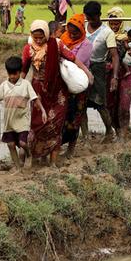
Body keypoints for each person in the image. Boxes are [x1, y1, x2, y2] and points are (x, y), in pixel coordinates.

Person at [22, 20, 92, 167]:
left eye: (42, 37)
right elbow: (23, 71)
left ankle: (53, 162)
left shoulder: (57, 44)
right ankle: (38, 158)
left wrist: (87, 73)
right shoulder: (28, 49)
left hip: (57, 91)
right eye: (36, 37)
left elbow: (73, 58)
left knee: (56, 124)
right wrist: (17, 88)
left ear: (47, 34)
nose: (39, 40)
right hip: (38, 92)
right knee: (38, 125)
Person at [0, 56, 46, 171]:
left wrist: (43, 111)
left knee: (22, 143)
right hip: (9, 121)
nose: (12, 77)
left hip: (22, 120)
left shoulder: (25, 84)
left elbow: (34, 98)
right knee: (10, 144)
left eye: (15, 74)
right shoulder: (4, 85)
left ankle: (28, 154)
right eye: (10, 74)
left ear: (20, 72)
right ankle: (17, 168)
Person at [83, 1, 119, 142]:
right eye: (88, 17)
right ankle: (85, 136)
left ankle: (109, 132)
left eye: (93, 17)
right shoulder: (81, 28)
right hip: (82, 69)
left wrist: (115, 77)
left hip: (98, 70)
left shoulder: (107, 32)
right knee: (81, 104)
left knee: (100, 103)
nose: (90, 21)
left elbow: (114, 55)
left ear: (99, 15)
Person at [60, 14, 93, 158]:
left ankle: (71, 148)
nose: (72, 36)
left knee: (75, 117)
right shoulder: (63, 39)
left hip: (79, 86)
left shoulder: (86, 44)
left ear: (81, 30)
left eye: (76, 33)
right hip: (64, 84)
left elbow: (75, 62)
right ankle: (60, 145)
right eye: (70, 32)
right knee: (63, 116)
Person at [105, 7, 131, 141]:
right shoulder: (104, 35)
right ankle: (115, 130)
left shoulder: (127, 37)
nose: (114, 26)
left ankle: (123, 132)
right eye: (111, 23)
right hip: (109, 72)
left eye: (116, 23)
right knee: (110, 103)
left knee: (124, 103)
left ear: (121, 22)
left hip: (126, 73)